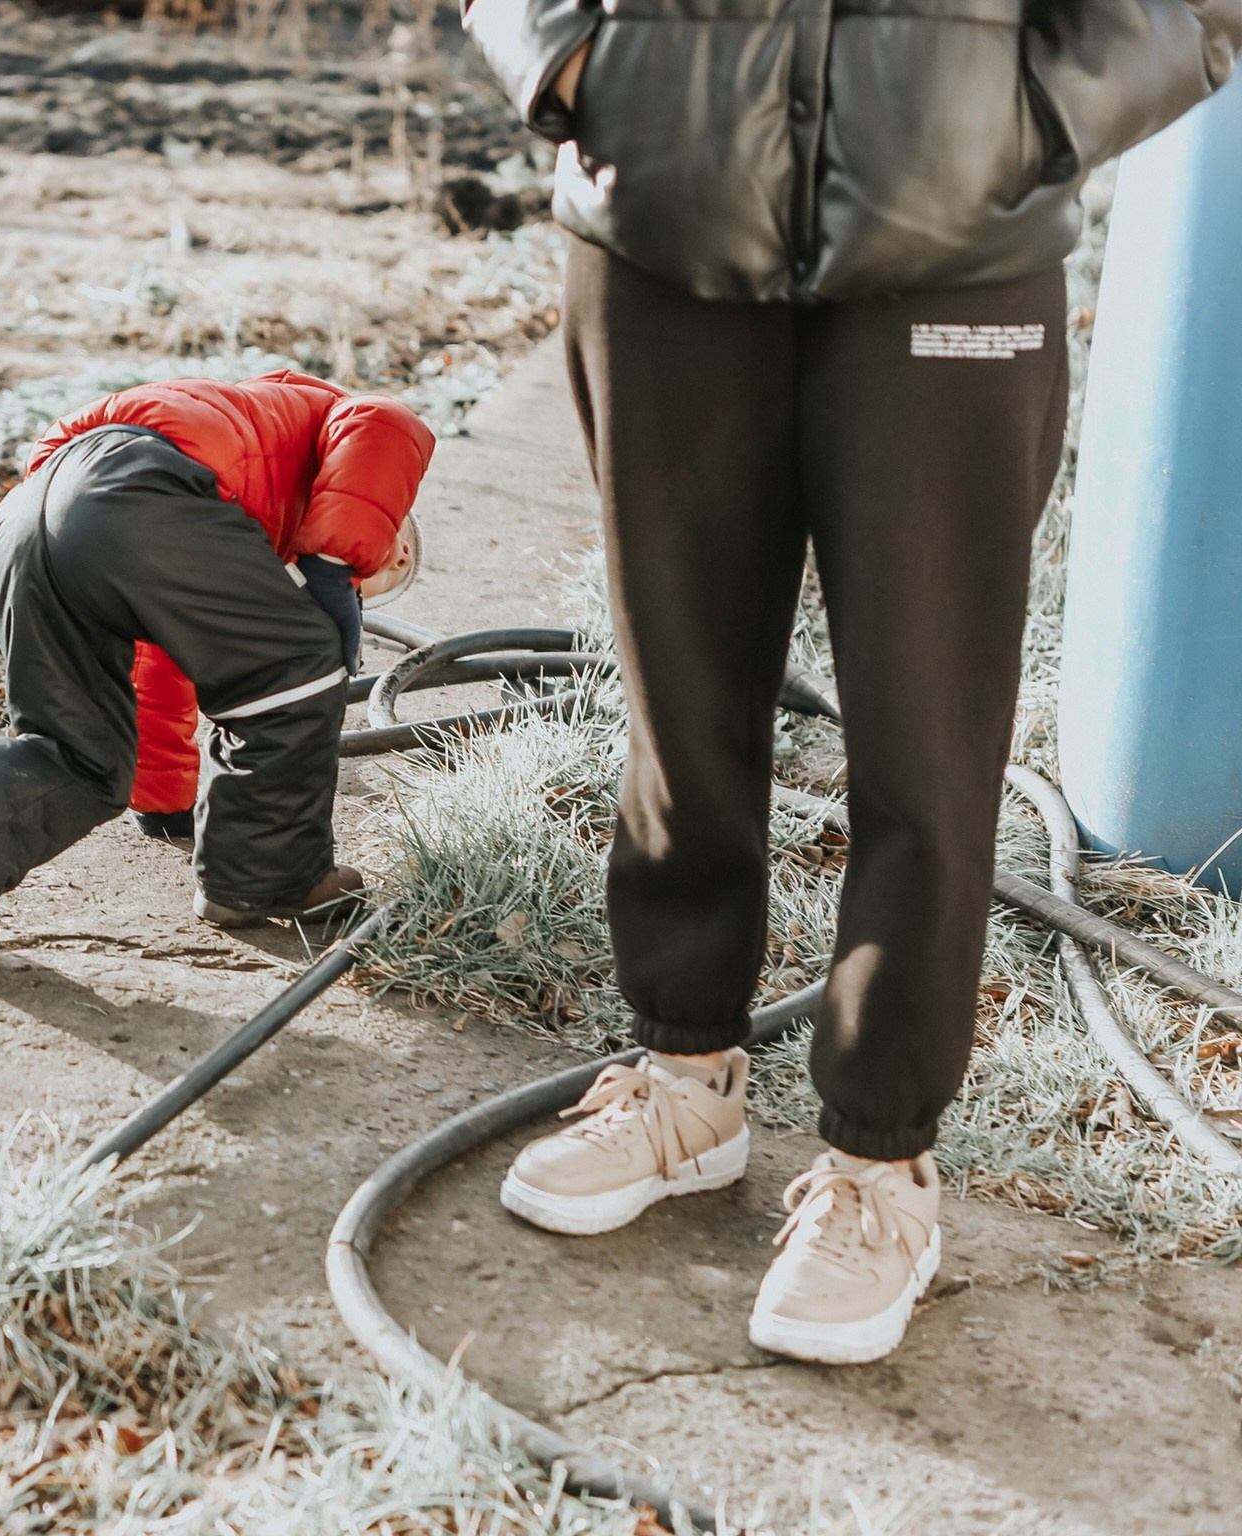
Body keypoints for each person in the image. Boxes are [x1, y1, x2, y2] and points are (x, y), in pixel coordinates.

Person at [467, 0, 1242, 1364]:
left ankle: (881, 1169)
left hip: (955, 250)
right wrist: (577, 59)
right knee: (679, 690)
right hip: (657, 223)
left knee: (926, 743)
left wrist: (1021, 123)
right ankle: (683, 1077)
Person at [0, 371, 433, 955]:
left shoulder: (220, 523)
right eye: (394, 553)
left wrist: (166, 803)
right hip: (134, 486)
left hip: (29, 520)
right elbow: (388, 420)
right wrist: (333, 569)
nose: (384, 567)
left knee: (80, 750)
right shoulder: (325, 426)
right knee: (298, 663)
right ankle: (265, 877)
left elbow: (156, 676)